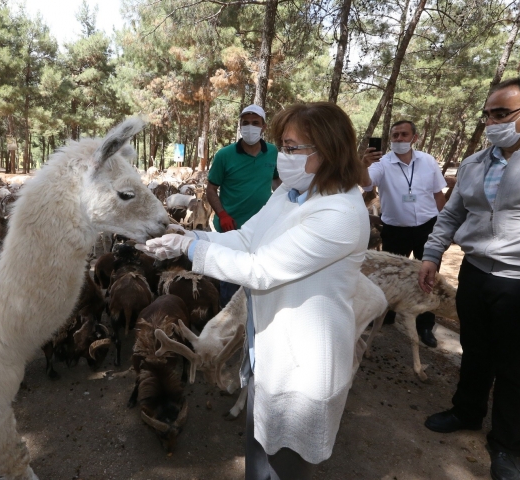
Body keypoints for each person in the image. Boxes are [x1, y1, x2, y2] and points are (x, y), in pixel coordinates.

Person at [141, 102, 369, 479]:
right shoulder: (290, 194)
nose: (283, 155)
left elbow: (261, 268)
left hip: (302, 364)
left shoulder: (339, 212)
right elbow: (247, 239)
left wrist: (189, 250)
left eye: (293, 147)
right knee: (259, 451)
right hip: (267, 350)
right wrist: (190, 234)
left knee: (286, 463)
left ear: (327, 151)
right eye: (283, 144)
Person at [418, 78, 520, 480]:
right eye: (487, 114)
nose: (491, 122)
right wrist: (433, 254)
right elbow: (453, 214)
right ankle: (466, 411)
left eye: (501, 114)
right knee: (476, 351)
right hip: (478, 273)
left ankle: (506, 446)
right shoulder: (475, 162)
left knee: (517, 368)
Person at [361, 120, 447, 348]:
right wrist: (363, 164)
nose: (398, 139)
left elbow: (438, 194)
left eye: (403, 135)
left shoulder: (428, 161)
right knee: (391, 275)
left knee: (430, 278)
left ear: (414, 138)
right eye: (395, 136)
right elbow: (366, 183)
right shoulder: (382, 163)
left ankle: (426, 324)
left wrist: (443, 224)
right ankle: (385, 314)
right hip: (395, 230)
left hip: (427, 228)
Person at [207, 104, 281, 306]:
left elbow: (276, 182)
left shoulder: (273, 153)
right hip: (232, 227)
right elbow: (211, 189)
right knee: (231, 279)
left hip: (263, 228)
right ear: (240, 126)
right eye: (245, 123)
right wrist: (222, 214)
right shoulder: (224, 155)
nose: (250, 127)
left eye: (255, 123)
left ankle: (254, 319)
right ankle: (228, 323)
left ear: (264, 126)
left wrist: (286, 201)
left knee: (258, 275)